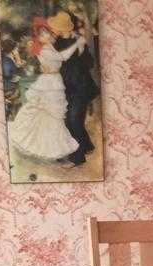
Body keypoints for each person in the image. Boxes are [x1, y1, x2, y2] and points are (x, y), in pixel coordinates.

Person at [8, 17, 86, 163]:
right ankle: (50, 147)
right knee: (51, 115)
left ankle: (54, 147)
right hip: (50, 84)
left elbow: (58, 47)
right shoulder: (44, 49)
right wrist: (77, 43)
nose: (47, 36)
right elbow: (62, 57)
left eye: (47, 33)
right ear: (38, 38)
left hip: (54, 81)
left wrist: (74, 38)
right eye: (42, 35)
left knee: (52, 116)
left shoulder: (49, 46)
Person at [49, 9, 100, 165]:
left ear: (63, 28)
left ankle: (77, 158)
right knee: (69, 119)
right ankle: (86, 146)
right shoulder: (56, 43)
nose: (53, 30)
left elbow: (90, 63)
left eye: (55, 27)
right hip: (65, 87)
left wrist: (82, 52)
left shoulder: (79, 40)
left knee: (74, 119)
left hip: (81, 86)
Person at [0, 38, 25, 121]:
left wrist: (18, 63)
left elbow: (17, 71)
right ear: (12, 50)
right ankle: (14, 116)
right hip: (8, 88)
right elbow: (9, 74)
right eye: (16, 48)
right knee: (26, 93)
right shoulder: (6, 61)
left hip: (10, 85)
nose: (17, 49)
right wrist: (18, 61)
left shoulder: (9, 59)